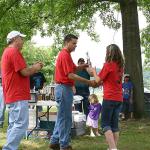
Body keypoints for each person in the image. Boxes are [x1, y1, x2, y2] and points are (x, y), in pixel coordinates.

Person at [49, 34, 95, 150]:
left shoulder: (67, 55)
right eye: (74, 43)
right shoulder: (64, 55)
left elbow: (73, 69)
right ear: (67, 42)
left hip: (63, 88)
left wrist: (83, 66)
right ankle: (64, 145)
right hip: (64, 88)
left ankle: (54, 142)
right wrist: (88, 82)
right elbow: (70, 75)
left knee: (61, 117)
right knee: (66, 118)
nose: (76, 45)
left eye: (76, 43)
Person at [1, 30, 43, 150]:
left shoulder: (7, 52)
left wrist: (32, 67)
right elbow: (25, 72)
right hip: (17, 94)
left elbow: (21, 70)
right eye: (21, 38)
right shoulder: (14, 51)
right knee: (21, 124)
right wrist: (35, 67)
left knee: (14, 124)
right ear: (15, 39)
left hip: (12, 94)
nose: (23, 41)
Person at [90, 44, 124, 150]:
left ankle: (113, 149)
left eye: (107, 51)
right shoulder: (120, 66)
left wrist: (93, 72)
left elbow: (97, 80)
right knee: (114, 126)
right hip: (119, 98)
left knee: (105, 124)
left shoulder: (108, 65)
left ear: (109, 53)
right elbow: (106, 80)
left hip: (109, 98)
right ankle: (112, 148)